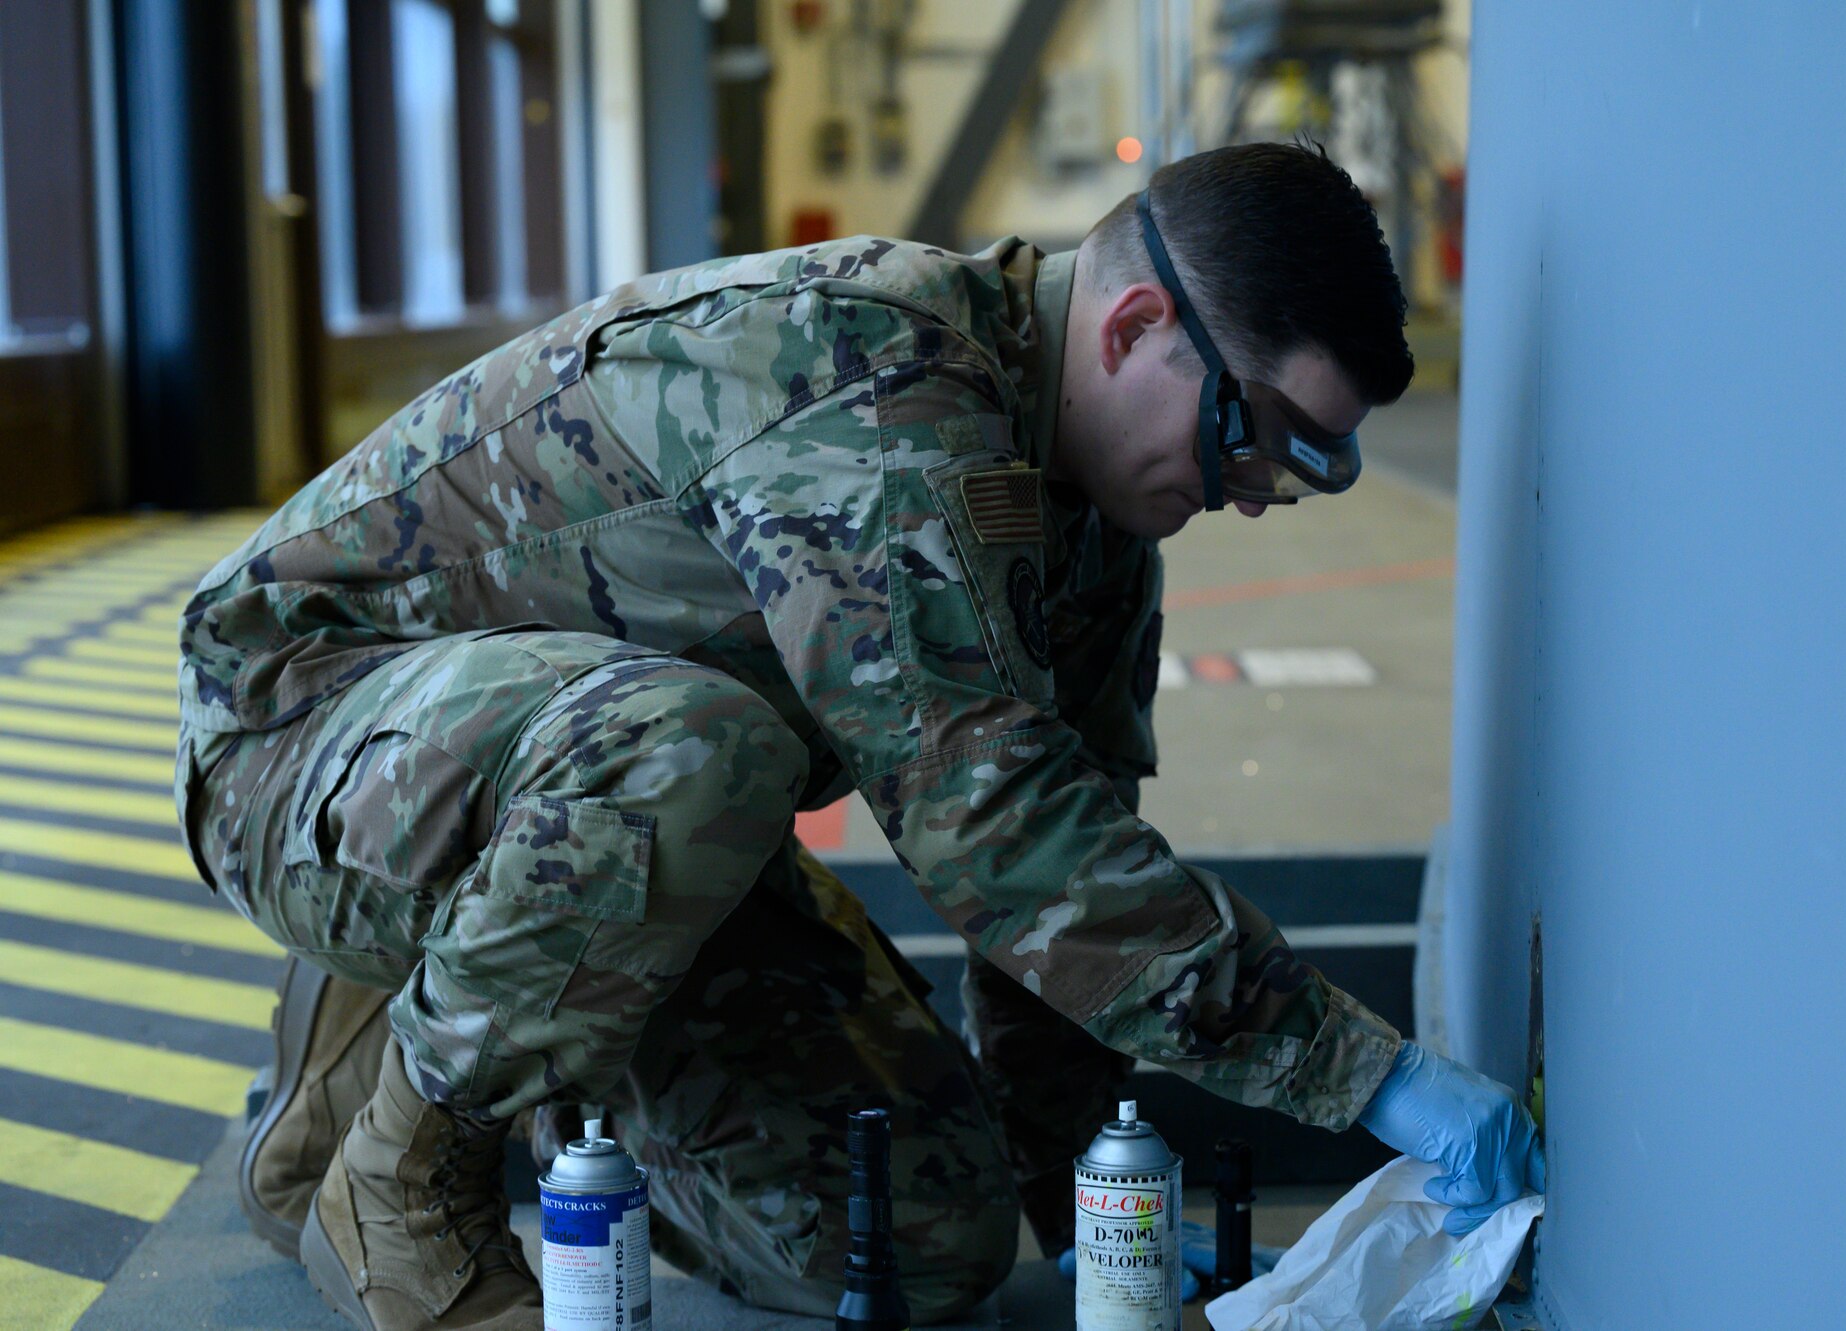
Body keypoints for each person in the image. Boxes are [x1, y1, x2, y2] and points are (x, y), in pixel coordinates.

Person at [176, 138, 1541, 1331]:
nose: (1256, 492)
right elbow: (993, 827)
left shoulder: (1101, 527)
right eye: (1257, 434)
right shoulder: (878, 381)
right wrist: (1372, 1073)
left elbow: (1071, 878)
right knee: (695, 746)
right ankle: (402, 1188)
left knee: (921, 1233)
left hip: (591, 806)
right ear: (1131, 329)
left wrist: (1080, 1204)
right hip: (306, 733)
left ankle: (363, 1059)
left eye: (1304, 468)